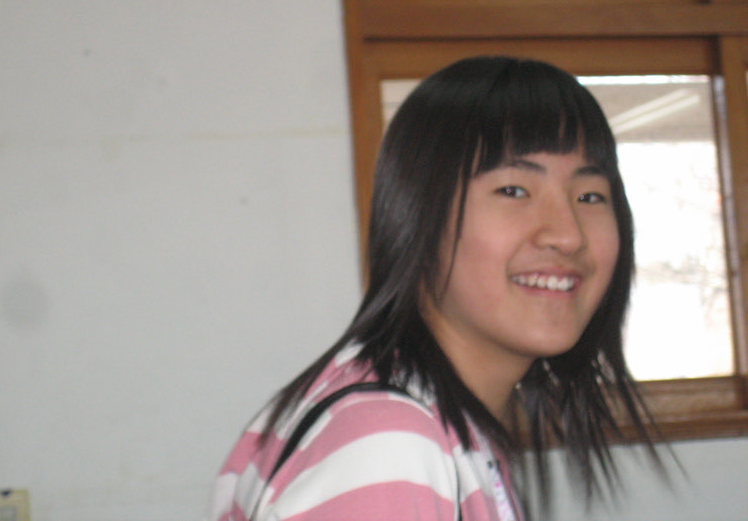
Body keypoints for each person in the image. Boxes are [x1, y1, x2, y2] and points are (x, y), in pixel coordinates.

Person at [208, 56, 660, 521]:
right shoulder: (388, 445)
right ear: (418, 216)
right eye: (513, 190)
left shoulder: (429, 421)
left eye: (589, 196)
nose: (568, 235)